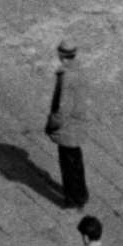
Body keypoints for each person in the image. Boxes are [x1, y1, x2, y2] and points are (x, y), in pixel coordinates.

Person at [44, 42, 90, 211]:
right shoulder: (79, 70)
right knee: (76, 162)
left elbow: (63, 108)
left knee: (68, 166)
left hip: (67, 129)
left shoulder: (66, 76)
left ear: (61, 54)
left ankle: (73, 200)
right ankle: (82, 194)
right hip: (78, 124)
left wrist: (52, 123)